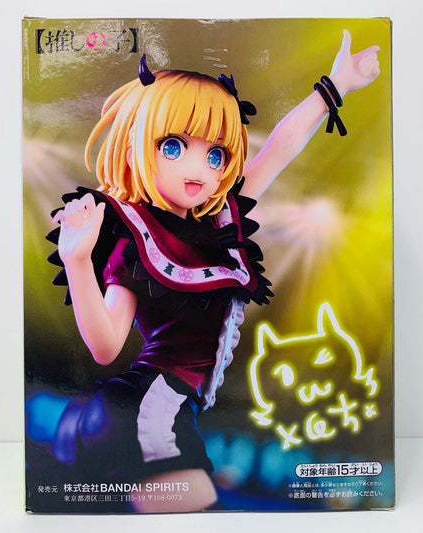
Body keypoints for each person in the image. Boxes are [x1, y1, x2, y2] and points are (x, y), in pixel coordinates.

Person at [47, 30, 380, 512]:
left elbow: (276, 151)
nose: (199, 167)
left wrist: (335, 87)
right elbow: (105, 347)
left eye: (215, 154)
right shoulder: (136, 237)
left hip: (168, 410)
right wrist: (78, 260)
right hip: (149, 410)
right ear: (138, 144)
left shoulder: (218, 222)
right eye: (173, 147)